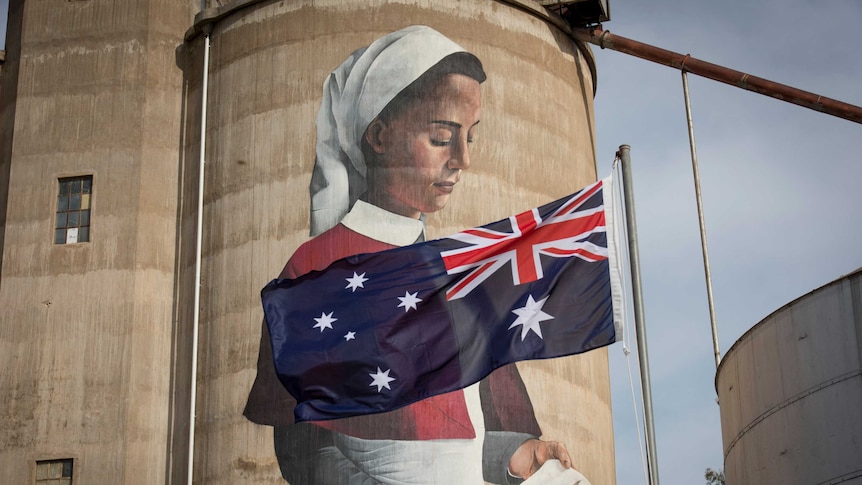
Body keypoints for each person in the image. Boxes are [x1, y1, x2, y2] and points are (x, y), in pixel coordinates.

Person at [245, 25, 576, 484]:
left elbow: (466, 434)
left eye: (470, 138)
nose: (462, 158)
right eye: (442, 137)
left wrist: (520, 452)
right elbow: (305, 447)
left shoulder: (459, 272)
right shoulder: (315, 270)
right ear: (379, 136)